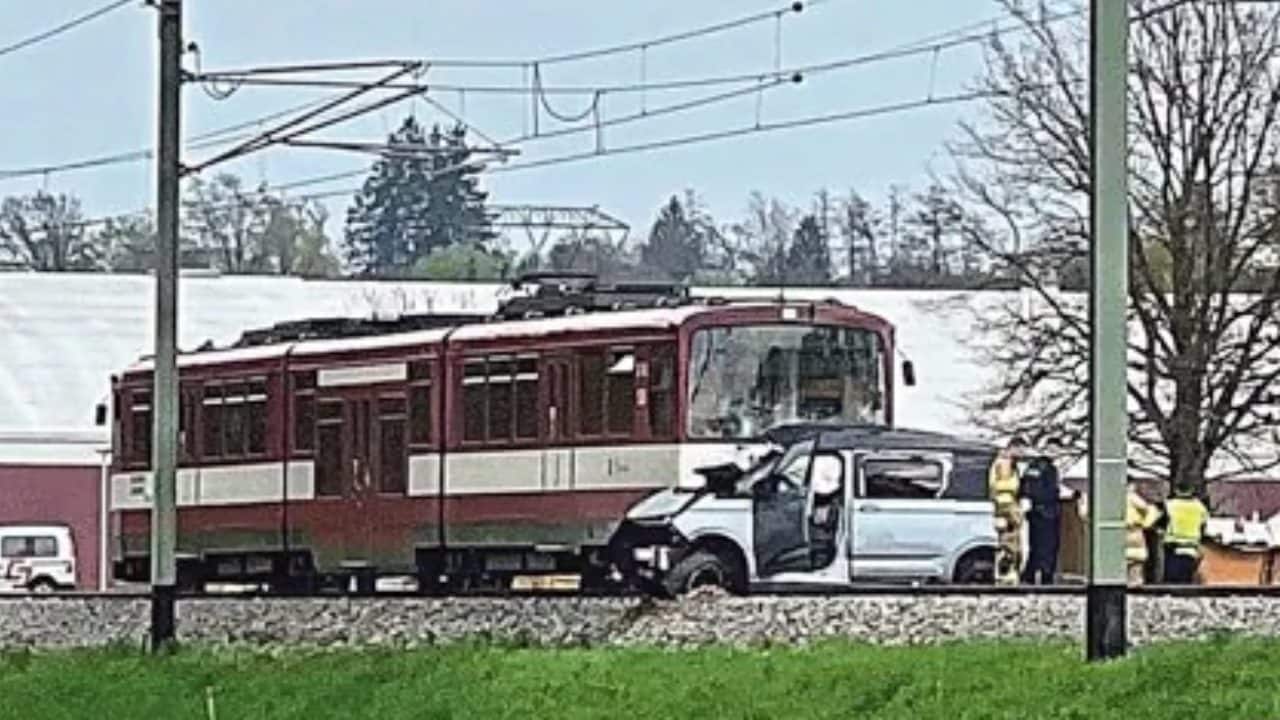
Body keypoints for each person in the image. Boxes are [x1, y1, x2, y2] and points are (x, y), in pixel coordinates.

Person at [989, 437, 1026, 585]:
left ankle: (1008, 573)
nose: (1022, 453)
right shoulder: (1004, 463)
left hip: (1010, 506)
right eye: (1021, 449)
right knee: (1008, 543)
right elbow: (1000, 486)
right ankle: (1006, 574)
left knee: (1011, 542)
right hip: (1006, 506)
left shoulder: (1011, 463)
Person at [1019, 455, 1061, 585]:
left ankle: (1030, 575)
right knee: (1048, 547)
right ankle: (1044, 576)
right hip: (1048, 513)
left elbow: (1025, 489)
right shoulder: (1049, 469)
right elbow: (1049, 492)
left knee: (1036, 546)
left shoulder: (1031, 468)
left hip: (1034, 513)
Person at [1162, 484, 1209, 584]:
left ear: (1176, 490)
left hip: (1173, 548)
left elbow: (1157, 523)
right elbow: (1204, 526)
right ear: (1191, 490)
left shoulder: (1169, 505)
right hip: (1192, 548)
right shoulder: (1200, 507)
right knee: (1187, 581)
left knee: (1172, 582)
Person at [1125, 486, 1160, 585]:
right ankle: (1134, 583)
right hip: (1133, 530)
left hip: (1124, 531)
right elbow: (1148, 509)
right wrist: (1146, 523)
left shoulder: (1111, 496)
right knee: (1136, 559)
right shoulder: (1131, 496)